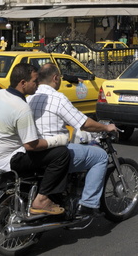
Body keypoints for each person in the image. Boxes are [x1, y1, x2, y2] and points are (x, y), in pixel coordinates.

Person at [0, 63, 71, 216]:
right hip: (8, 160)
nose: (37, 84)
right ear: (23, 83)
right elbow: (31, 145)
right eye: (34, 81)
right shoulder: (22, 107)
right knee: (61, 154)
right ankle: (42, 199)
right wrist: (59, 140)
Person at [28, 63, 117, 220]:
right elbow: (84, 124)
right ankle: (88, 204)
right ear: (55, 78)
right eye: (60, 78)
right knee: (100, 156)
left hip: (33, 153)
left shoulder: (29, 97)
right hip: (56, 153)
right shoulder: (57, 98)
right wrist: (106, 127)